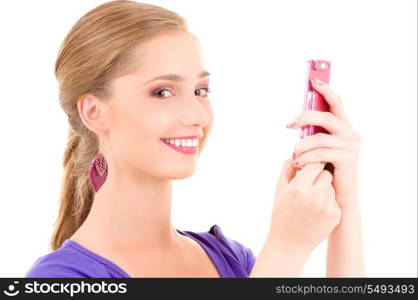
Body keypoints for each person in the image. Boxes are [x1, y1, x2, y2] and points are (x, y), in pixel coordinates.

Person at [26, 0, 365, 278]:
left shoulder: (229, 259)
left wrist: (344, 201)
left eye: (201, 90)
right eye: (162, 92)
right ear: (94, 112)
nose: (198, 116)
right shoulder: (61, 278)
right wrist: (286, 247)